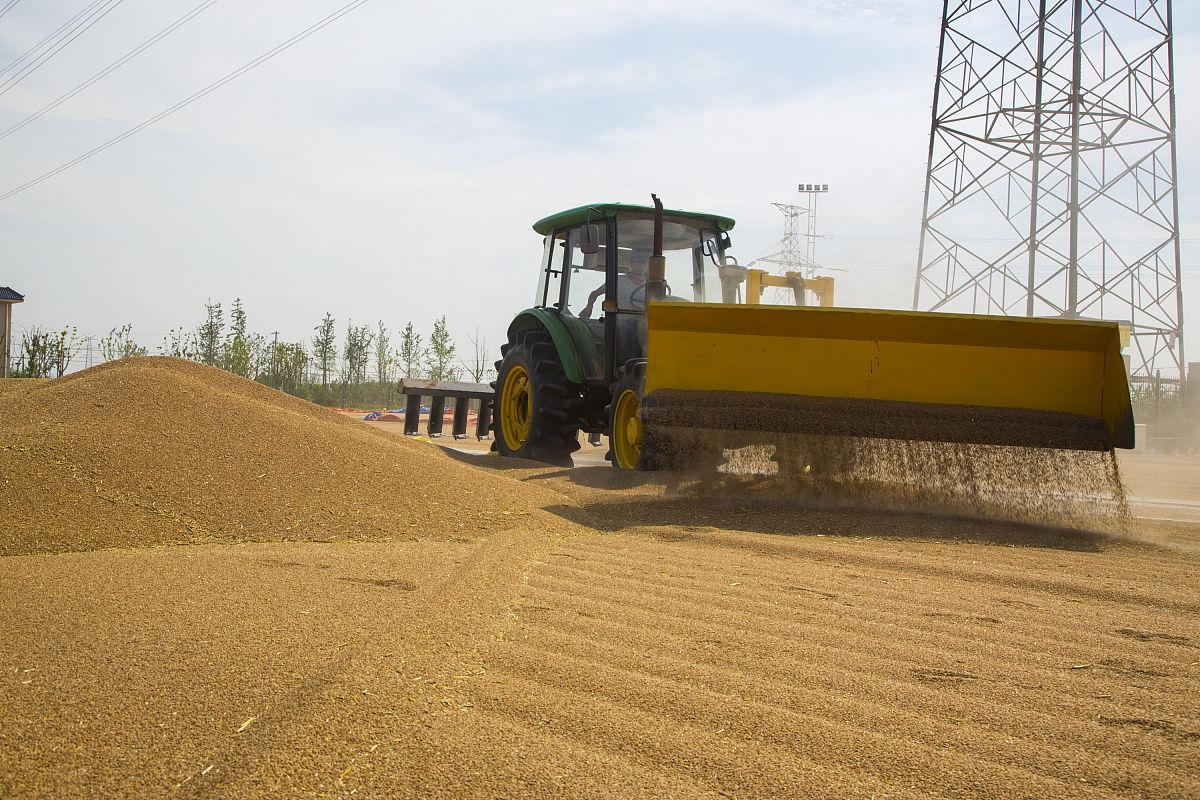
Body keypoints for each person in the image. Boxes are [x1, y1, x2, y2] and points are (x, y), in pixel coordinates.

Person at [579, 248, 649, 320]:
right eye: (638, 262)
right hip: (620, 322)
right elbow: (595, 293)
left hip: (641, 321)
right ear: (631, 264)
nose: (641, 266)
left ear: (647, 265)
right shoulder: (618, 281)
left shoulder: (650, 285)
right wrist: (589, 307)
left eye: (644, 263)